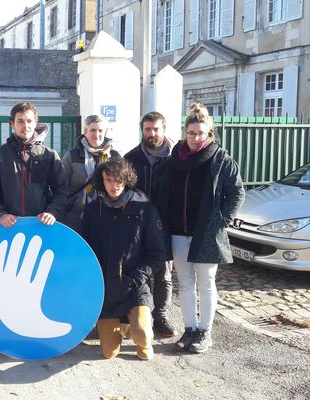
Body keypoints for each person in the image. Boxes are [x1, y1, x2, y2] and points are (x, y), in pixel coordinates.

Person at [154, 103, 244, 354]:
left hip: (206, 233)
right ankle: (190, 328)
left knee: (206, 283)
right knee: (184, 283)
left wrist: (222, 221)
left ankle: (205, 331)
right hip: (178, 232)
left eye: (200, 134)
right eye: (191, 133)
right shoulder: (173, 161)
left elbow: (237, 192)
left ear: (209, 134)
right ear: (185, 133)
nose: (195, 138)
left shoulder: (220, 159)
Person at [0, 101, 69, 354]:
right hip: (7, 231)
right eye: (20, 120)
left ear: (35, 123)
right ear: (12, 123)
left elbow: (63, 191)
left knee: (38, 283)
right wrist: (0, 214)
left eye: (29, 120)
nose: (25, 125)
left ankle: (38, 335)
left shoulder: (49, 155)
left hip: (40, 232)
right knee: (2, 284)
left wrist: (52, 212)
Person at [82, 157, 166, 360]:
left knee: (143, 338)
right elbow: (85, 249)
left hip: (134, 285)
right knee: (109, 352)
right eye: (108, 180)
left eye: (118, 180)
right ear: (102, 181)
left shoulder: (145, 210)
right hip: (106, 289)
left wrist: (137, 277)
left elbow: (157, 255)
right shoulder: (94, 210)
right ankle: (120, 327)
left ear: (126, 180)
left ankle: (135, 328)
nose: (113, 185)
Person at [124, 111, 176, 338]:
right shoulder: (131, 157)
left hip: (167, 221)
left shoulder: (177, 158)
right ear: (142, 130)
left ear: (163, 129)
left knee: (163, 271)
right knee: (137, 268)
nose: (152, 133)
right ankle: (134, 313)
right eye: (147, 129)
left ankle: (161, 316)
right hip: (138, 222)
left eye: (156, 129)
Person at [62, 114, 120, 235]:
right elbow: (61, 186)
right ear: (85, 132)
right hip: (76, 217)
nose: (97, 134)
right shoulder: (72, 156)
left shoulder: (114, 157)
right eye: (93, 130)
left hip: (106, 214)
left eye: (100, 130)